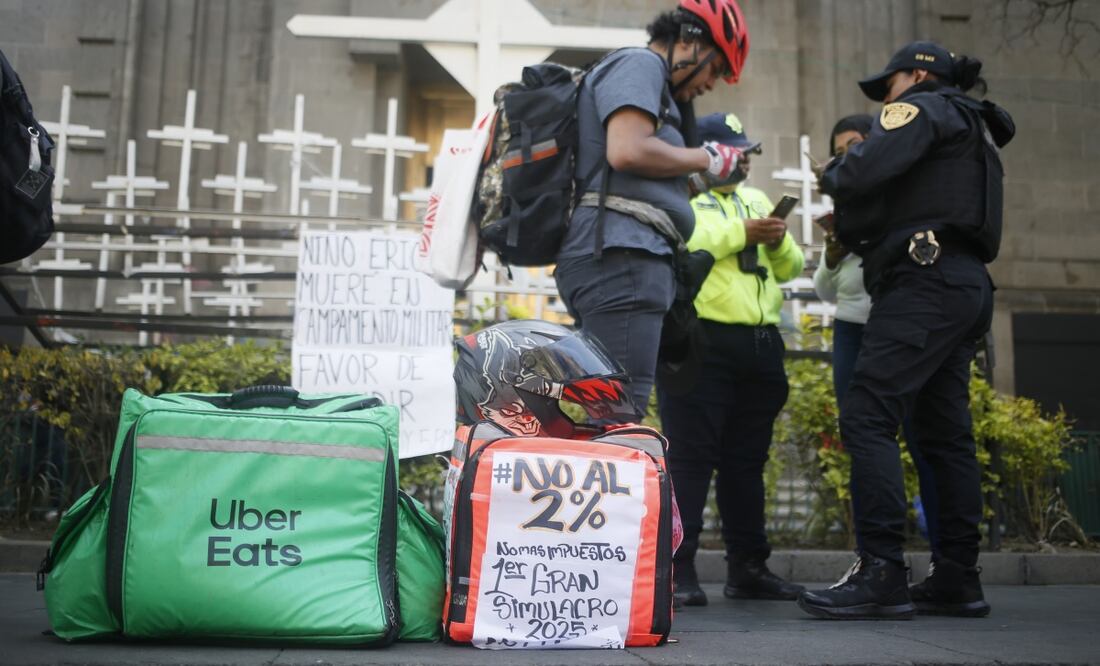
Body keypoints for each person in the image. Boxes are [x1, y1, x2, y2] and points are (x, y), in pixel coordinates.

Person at [798, 41, 1014, 620]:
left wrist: (837, 174)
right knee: (943, 433)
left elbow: (864, 169)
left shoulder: (922, 108)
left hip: (924, 281)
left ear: (918, 75)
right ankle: (957, 577)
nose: (885, 101)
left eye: (889, 85)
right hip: (964, 283)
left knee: (868, 412)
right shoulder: (974, 125)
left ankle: (882, 571)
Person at [554, 0, 751, 414]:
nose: (712, 83)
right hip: (623, 256)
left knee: (614, 407)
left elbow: (638, 174)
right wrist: (707, 157)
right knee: (620, 413)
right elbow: (626, 151)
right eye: (716, 67)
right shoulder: (640, 64)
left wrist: (699, 178)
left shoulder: (654, 84)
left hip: (625, 255)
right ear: (689, 41)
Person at [658, 112, 805, 607]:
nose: (743, 159)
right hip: (702, 343)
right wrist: (742, 232)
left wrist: (777, 237)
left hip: (760, 345)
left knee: (747, 462)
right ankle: (678, 571)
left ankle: (749, 568)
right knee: (691, 460)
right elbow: (690, 243)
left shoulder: (757, 199)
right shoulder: (679, 197)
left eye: (746, 151)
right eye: (733, 150)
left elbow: (790, 267)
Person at [813, 115, 942, 553]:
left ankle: (936, 547)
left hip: (898, 322)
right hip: (852, 327)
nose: (846, 155)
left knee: (923, 433)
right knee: (862, 432)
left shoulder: (896, 188)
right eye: (839, 149)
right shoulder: (845, 204)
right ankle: (876, 555)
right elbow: (824, 290)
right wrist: (835, 251)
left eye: (854, 144)